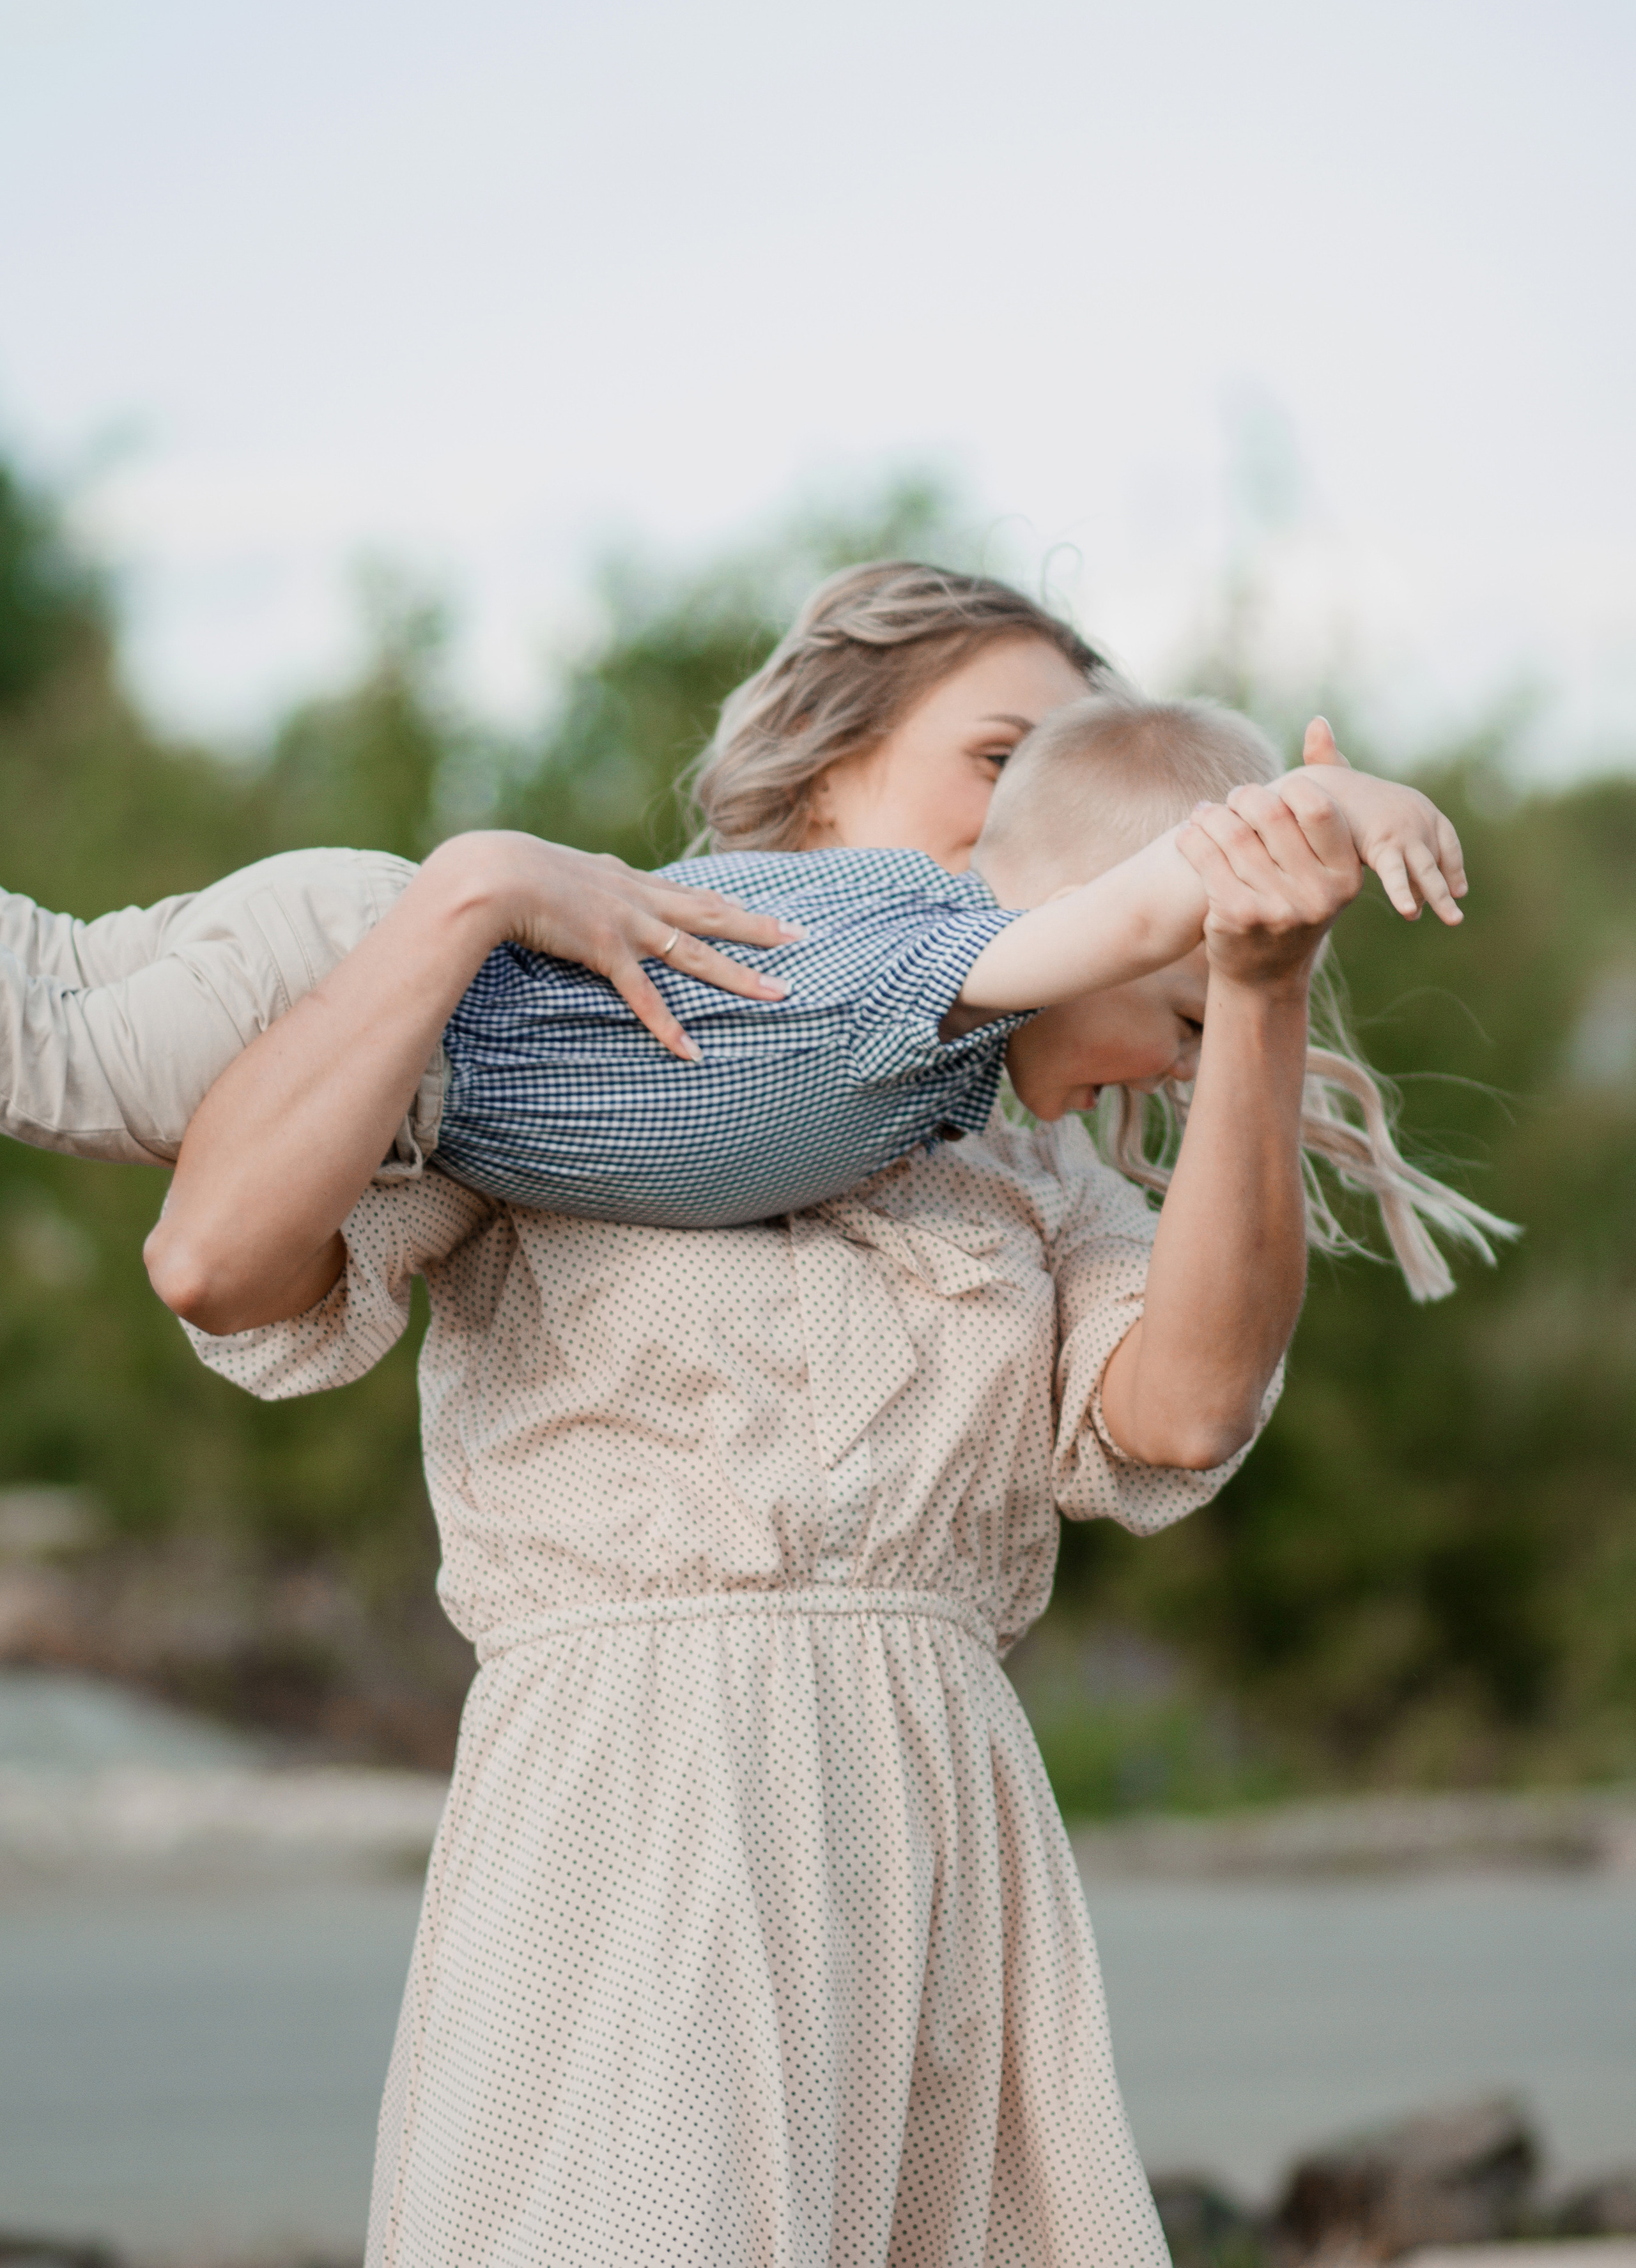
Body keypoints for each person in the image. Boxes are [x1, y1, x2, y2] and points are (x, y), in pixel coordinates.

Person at [144, 573, 1514, 2268]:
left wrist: (1259, 985)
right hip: (632, 1807)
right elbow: (213, 1260)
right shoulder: (576, 1037)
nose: (1036, 809)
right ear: (822, 789)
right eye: (1001, 752)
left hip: (932, 1829)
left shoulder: (1039, 1161)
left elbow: (1188, 1406)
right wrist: (470, 898)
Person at [1, 642, 1473, 1253]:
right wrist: (1326, 801)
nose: (1180, 1063)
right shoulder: (926, 964)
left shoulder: (936, 1065)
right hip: (358, 988)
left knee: (39, 971)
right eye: (1192, 1016)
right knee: (43, 1051)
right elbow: (1143, 903)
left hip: (351, 946)